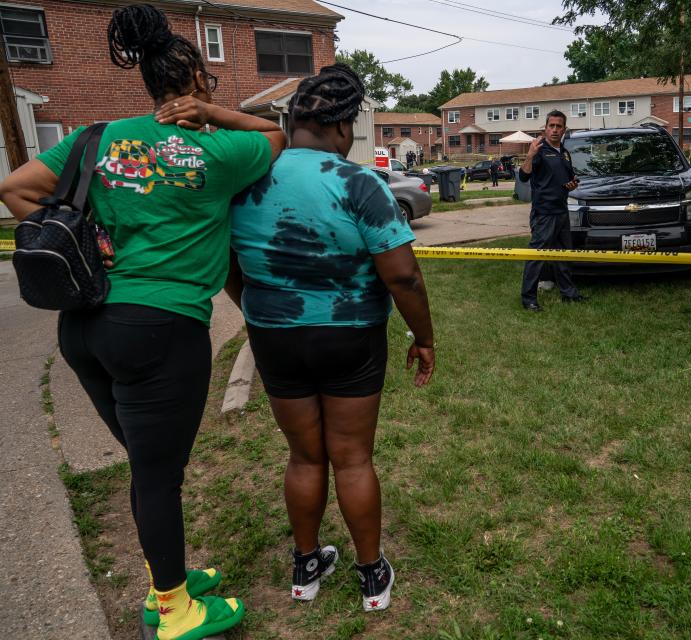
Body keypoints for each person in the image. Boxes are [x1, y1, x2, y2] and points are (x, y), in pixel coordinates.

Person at [0, 5, 285, 639]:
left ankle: (170, 577)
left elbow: (17, 190)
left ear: (149, 84)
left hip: (84, 327)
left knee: (146, 464)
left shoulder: (99, 138)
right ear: (201, 85)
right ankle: (174, 609)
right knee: (158, 473)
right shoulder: (219, 147)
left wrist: (98, 239)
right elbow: (274, 135)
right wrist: (212, 117)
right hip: (161, 328)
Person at [228, 63, 435, 613]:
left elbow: (228, 262)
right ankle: (371, 577)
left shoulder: (247, 177)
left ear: (293, 118)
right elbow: (403, 275)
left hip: (275, 337)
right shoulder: (358, 182)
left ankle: (305, 568)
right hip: (350, 337)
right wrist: (424, 335)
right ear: (343, 128)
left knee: (304, 457)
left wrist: (253, 309)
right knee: (352, 458)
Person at [518, 110, 585, 311]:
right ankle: (528, 298)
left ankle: (569, 293)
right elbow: (523, 177)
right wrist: (530, 155)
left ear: (564, 129)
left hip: (561, 211)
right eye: (551, 126)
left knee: (564, 255)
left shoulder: (564, 153)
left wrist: (571, 185)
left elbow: (566, 180)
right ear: (545, 128)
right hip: (544, 213)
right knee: (537, 256)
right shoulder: (539, 150)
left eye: (559, 126)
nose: (555, 130)